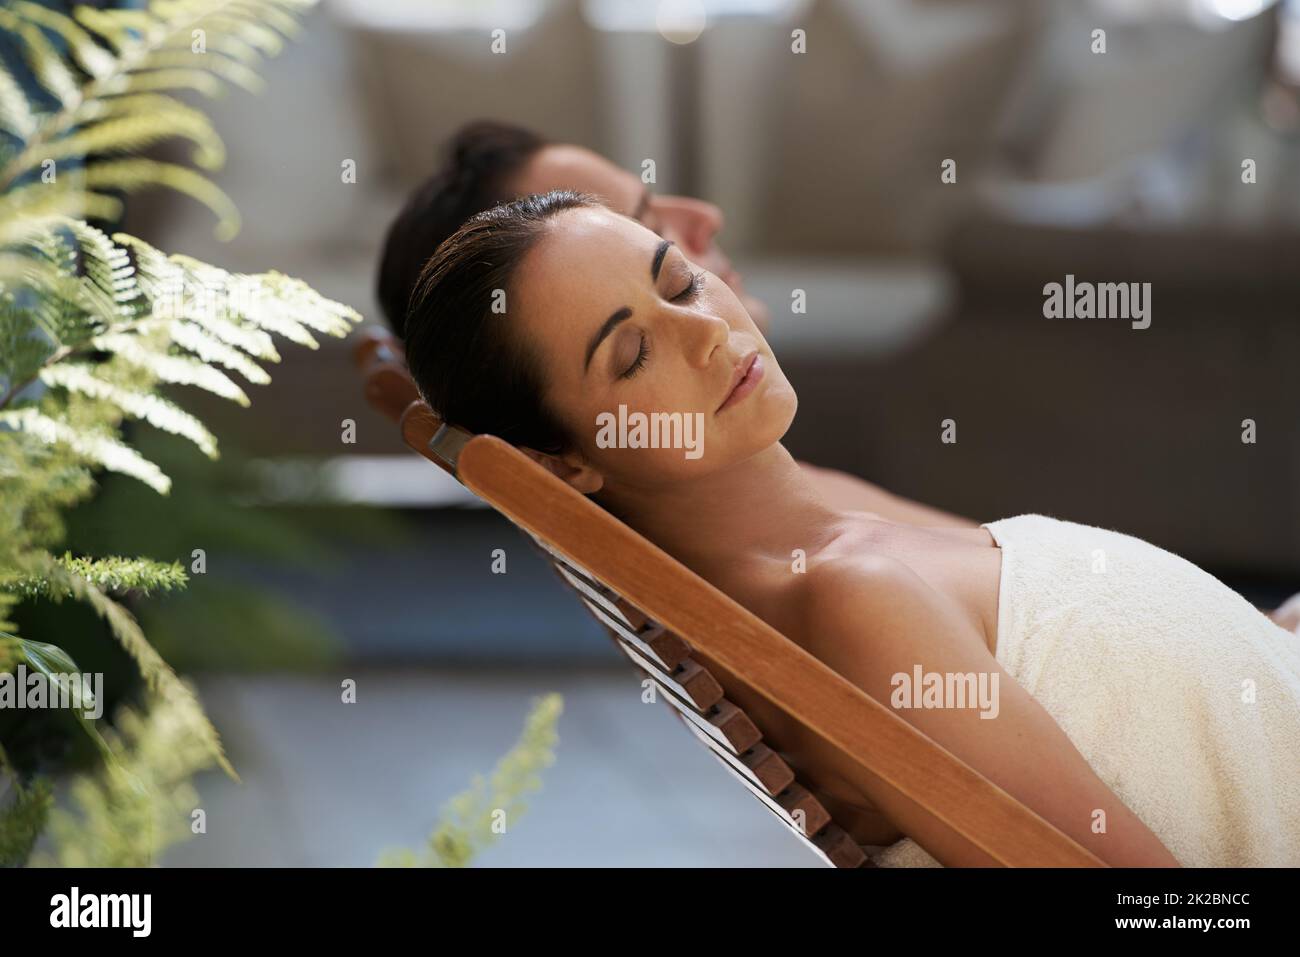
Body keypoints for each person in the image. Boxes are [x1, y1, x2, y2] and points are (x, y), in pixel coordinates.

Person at [400, 189, 1300, 867]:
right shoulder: (852, 601)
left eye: (680, 281)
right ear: (565, 467)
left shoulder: (816, 539)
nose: (709, 333)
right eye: (632, 354)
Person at [376, 120, 972, 528]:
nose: (706, 217)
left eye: (675, 277)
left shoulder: (784, 495)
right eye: (645, 224)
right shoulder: (826, 561)